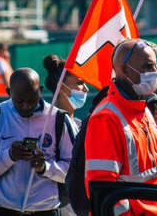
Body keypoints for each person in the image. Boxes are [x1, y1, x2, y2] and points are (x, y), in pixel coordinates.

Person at [84, 39, 157, 216]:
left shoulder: (143, 108)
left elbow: (148, 173)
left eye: (156, 65)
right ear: (124, 70)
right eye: (148, 66)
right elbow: (103, 191)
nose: (156, 71)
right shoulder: (106, 118)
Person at [0, 68, 73, 215]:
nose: (26, 106)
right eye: (19, 101)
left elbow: (74, 170)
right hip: (4, 209)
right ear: (8, 92)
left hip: (46, 210)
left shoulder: (59, 119)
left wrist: (45, 167)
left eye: (32, 100)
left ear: (40, 90)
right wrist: (9, 156)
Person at [43, 54, 89, 216]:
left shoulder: (78, 124)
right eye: (80, 83)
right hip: (58, 205)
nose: (86, 88)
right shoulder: (48, 123)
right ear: (62, 87)